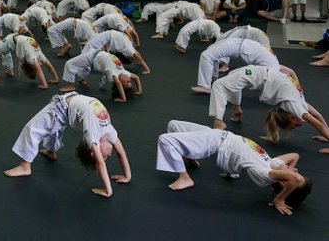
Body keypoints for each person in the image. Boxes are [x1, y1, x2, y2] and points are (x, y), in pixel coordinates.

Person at [156, 120, 312, 215]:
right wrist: (286, 173)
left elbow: (295, 178)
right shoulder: (273, 163)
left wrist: (279, 199)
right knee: (173, 125)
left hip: (215, 143)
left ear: (285, 182)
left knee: (165, 140)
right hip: (218, 134)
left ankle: (184, 177)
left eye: (294, 173)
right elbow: (295, 156)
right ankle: (190, 157)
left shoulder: (265, 174)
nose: (296, 170)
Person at [4, 93, 131, 198]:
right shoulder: (110, 134)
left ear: (93, 151)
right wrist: (127, 176)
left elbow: (100, 164)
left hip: (62, 107)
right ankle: (43, 155)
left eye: (104, 157)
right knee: (52, 126)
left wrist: (108, 190)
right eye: (105, 157)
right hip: (68, 107)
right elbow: (121, 153)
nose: (108, 155)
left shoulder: (93, 136)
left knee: (31, 129)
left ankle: (28, 164)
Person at [207, 65, 329, 151]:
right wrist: (326, 135)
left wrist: (326, 135)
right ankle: (221, 120)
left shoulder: (295, 104)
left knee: (222, 83)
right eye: (297, 125)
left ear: (291, 118)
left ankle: (230, 114)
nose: (301, 125)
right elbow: (319, 121)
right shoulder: (296, 105)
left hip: (257, 73)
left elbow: (318, 119)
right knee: (222, 84)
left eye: (296, 125)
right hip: (258, 73)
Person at [191, 38, 279, 94]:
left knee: (207, 55)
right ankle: (210, 80)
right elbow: (288, 72)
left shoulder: (274, 66)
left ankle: (206, 86)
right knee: (209, 54)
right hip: (239, 44)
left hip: (238, 44)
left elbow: (287, 72)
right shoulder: (274, 67)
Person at [60, 50, 142, 102]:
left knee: (69, 63)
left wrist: (123, 98)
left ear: (121, 83)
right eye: (129, 80)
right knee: (85, 68)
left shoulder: (114, 74)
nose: (128, 79)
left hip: (91, 57)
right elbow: (136, 78)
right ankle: (82, 80)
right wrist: (139, 90)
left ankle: (71, 85)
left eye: (127, 81)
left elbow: (118, 83)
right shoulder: (125, 72)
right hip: (97, 53)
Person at [83, 30, 150, 74]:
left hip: (111, 35)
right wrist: (147, 69)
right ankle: (82, 62)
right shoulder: (128, 50)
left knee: (92, 47)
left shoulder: (128, 48)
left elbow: (137, 55)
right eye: (133, 59)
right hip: (109, 35)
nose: (133, 58)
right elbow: (137, 56)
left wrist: (139, 62)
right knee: (88, 49)